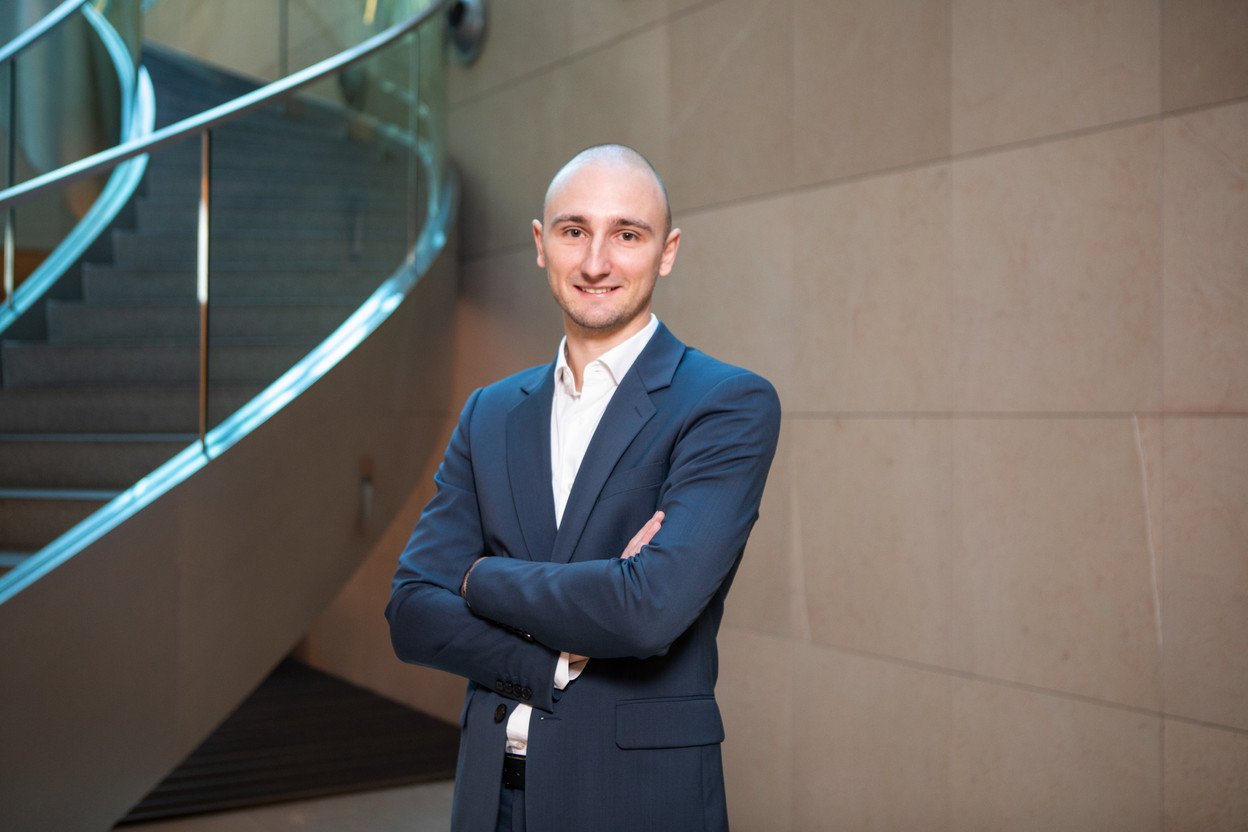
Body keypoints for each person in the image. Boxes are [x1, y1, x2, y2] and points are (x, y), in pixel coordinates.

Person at [386, 144, 781, 832]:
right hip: (488, 799)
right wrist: (551, 655)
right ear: (542, 245)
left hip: (633, 800)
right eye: (575, 231)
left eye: (627, 235)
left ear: (667, 252)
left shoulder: (725, 403)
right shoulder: (489, 413)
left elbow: (646, 610)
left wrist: (475, 578)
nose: (596, 263)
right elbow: (413, 612)